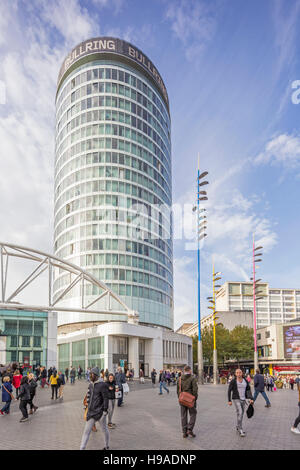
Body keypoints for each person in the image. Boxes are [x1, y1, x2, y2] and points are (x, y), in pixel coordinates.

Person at [80, 367, 109, 450]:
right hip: (91, 412)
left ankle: (106, 446)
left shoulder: (102, 385)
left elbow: (105, 398)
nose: (90, 375)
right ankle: (82, 448)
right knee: (86, 431)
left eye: (91, 374)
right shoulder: (90, 385)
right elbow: (88, 396)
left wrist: (105, 411)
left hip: (100, 412)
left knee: (104, 430)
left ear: (95, 375)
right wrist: (87, 407)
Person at [228, 368, 254, 437]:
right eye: (237, 373)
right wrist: (229, 400)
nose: (239, 374)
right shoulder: (233, 381)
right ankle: (240, 429)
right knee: (240, 412)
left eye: (240, 372)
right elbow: (229, 390)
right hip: (236, 399)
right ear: (235, 374)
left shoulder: (245, 380)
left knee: (241, 414)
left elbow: (248, 389)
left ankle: (237, 425)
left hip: (243, 399)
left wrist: (251, 398)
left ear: (242, 373)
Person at [177, 365, 198, 438]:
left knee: (183, 415)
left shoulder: (180, 378)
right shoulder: (192, 378)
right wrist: (195, 398)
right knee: (193, 413)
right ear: (189, 370)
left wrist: (179, 398)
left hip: (182, 399)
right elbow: (195, 390)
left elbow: (178, 390)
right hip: (190, 400)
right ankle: (190, 429)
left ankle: (184, 432)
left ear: (184, 371)